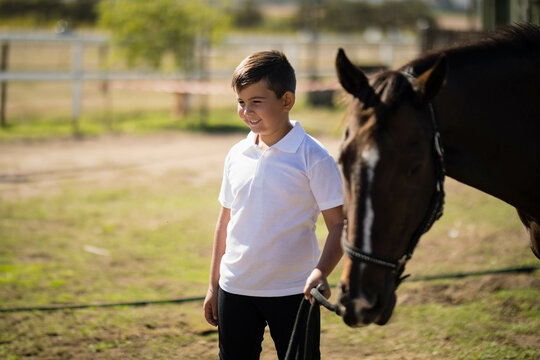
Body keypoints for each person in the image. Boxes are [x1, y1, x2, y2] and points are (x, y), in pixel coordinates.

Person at [203, 50, 344, 360]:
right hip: (235, 289)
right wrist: (214, 285)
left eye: (256, 101)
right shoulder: (236, 154)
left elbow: (339, 225)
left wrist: (322, 271)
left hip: (294, 293)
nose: (246, 111)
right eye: (241, 102)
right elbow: (225, 221)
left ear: (286, 101)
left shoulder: (314, 158)